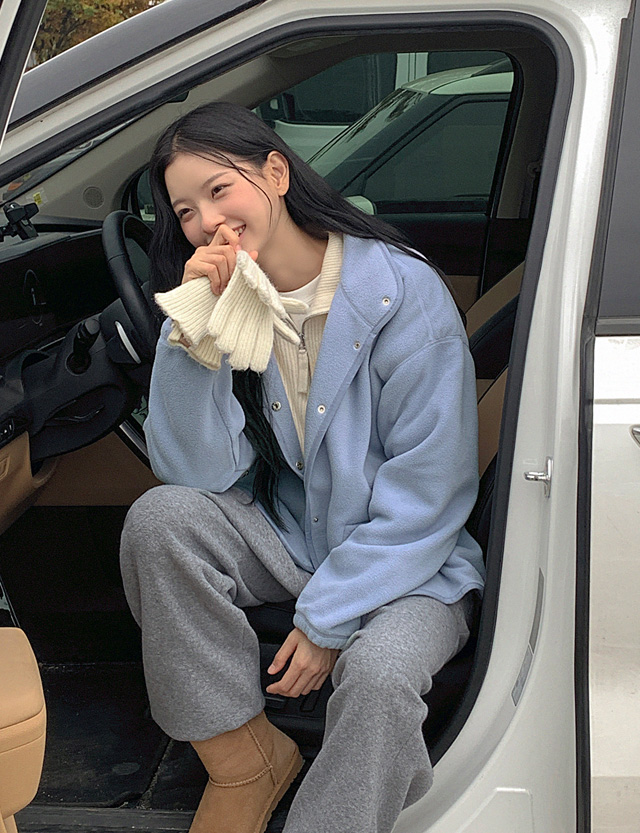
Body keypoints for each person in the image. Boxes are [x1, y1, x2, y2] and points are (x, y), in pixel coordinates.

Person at [119, 101, 485, 833]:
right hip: (298, 540)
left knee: (379, 678)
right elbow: (192, 471)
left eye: (220, 190)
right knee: (160, 520)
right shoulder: (235, 299)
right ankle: (245, 757)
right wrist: (193, 332)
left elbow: (430, 496)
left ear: (276, 174)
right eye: (185, 211)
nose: (207, 222)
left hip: (416, 564)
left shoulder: (402, 294)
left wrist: (327, 619)